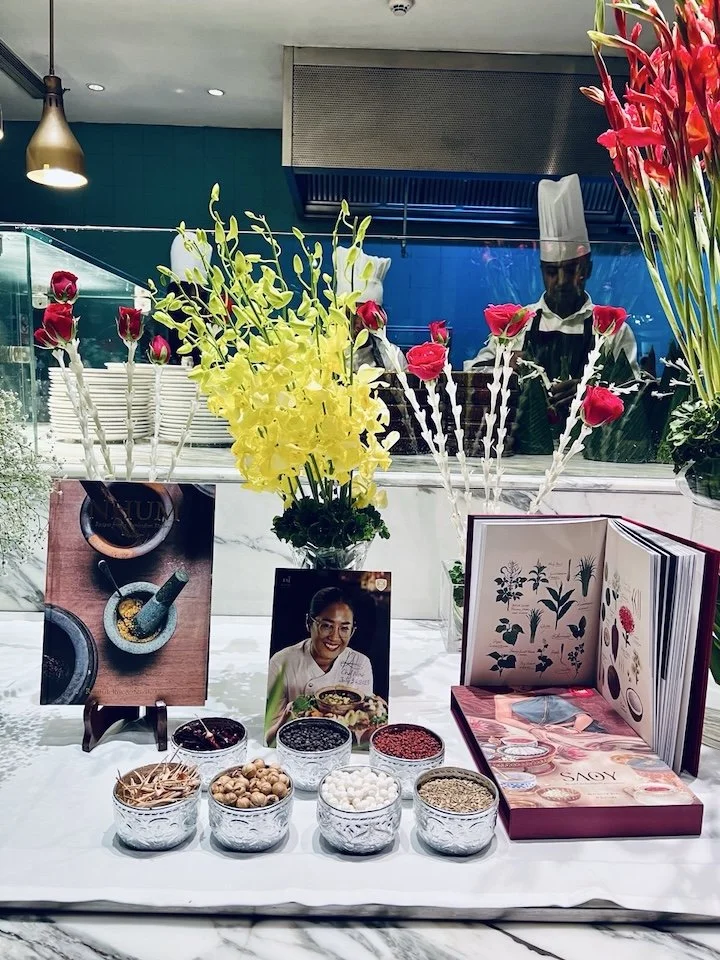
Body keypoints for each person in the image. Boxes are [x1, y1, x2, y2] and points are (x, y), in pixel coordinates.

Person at [465, 174, 640, 405]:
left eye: (569, 270)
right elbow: (471, 373)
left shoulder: (613, 330)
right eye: (551, 271)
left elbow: (634, 392)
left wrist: (591, 395)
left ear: (586, 269)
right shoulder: (518, 324)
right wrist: (504, 366)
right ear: (541, 271)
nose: (560, 281)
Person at [265, 586, 373, 743]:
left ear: (353, 631)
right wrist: (289, 715)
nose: (335, 637)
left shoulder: (360, 663)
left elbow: (361, 732)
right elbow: (270, 737)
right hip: (296, 744)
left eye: (344, 628)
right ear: (309, 623)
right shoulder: (281, 662)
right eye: (327, 625)